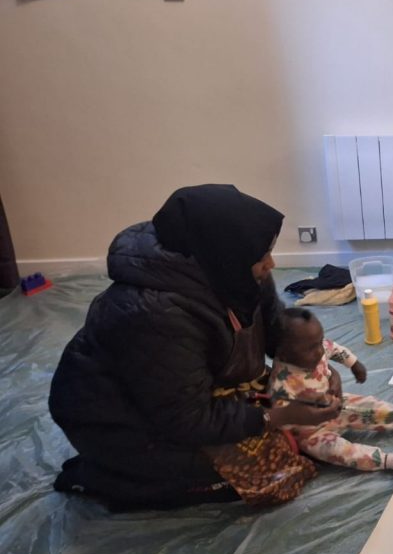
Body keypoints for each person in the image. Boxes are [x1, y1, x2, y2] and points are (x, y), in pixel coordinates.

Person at [48, 184, 341, 510]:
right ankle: (108, 476)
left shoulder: (238, 269)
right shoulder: (152, 313)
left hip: (187, 392)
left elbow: (277, 332)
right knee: (268, 472)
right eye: (262, 254)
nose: (271, 263)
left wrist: (319, 365)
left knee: (293, 432)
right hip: (119, 422)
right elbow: (187, 418)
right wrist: (276, 416)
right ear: (224, 254)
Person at [269, 308, 393, 476]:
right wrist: (310, 414)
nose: (319, 351)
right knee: (338, 451)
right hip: (310, 431)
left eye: (319, 342)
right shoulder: (281, 382)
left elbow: (335, 349)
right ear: (283, 353)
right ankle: (389, 460)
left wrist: (354, 364)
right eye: (310, 348)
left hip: (337, 404)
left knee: (371, 406)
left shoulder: (316, 346)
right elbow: (283, 419)